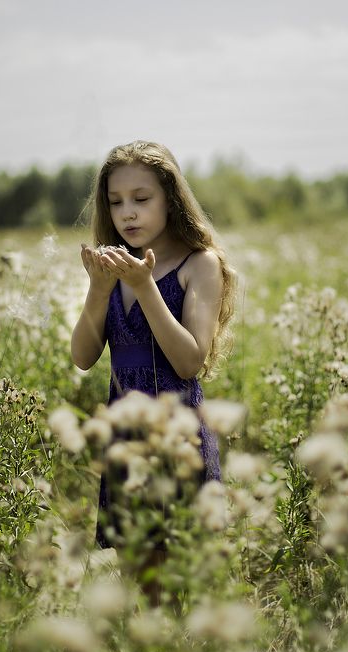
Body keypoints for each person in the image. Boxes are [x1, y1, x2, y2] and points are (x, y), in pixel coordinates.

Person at [70, 140, 237, 600]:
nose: (128, 213)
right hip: (124, 437)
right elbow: (83, 357)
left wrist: (144, 287)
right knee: (142, 582)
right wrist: (100, 290)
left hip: (177, 433)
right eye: (116, 201)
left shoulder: (198, 264)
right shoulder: (114, 267)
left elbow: (189, 361)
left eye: (141, 199)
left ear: (170, 197)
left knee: (184, 574)